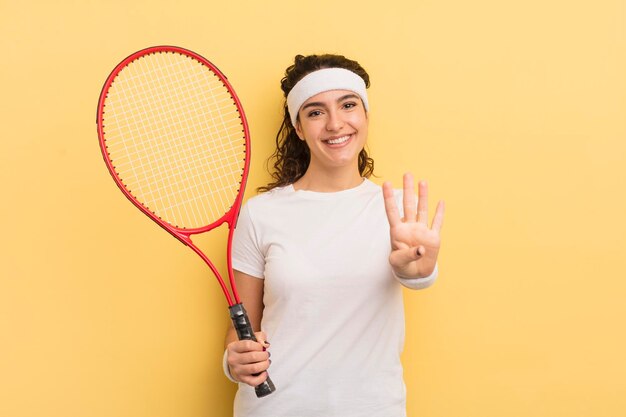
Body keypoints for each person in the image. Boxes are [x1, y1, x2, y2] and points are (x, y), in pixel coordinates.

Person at [223, 54, 445, 417]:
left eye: (348, 105)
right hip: (275, 408)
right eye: (315, 112)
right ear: (298, 127)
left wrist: (420, 272)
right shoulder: (261, 213)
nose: (335, 123)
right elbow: (240, 331)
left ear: (366, 115)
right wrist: (233, 361)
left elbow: (416, 274)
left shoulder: (398, 211)